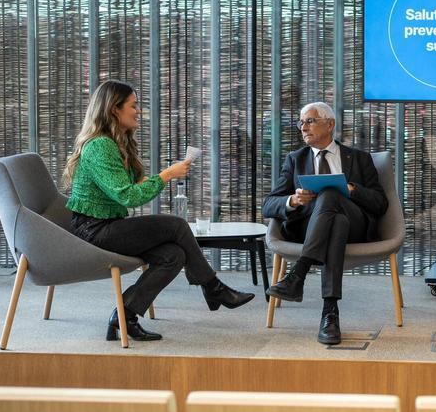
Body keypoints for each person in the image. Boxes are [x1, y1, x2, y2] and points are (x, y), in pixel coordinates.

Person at [64, 80, 255, 343]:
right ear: (113, 110)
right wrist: (166, 175)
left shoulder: (115, 143)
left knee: (173, 255)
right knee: (176, 226)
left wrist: (160, 177)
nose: (138, 110)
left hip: (107, 225)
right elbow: (127, 195)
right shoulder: (99, 146)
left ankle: (125, 315)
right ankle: (213, 287)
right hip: (95, 230)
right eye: (133, 105)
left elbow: (125, 188)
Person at [262, 102, 388, 345]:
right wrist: (293, 200)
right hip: (309, 227)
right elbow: (268, 205)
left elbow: (381, 204)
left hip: (356, 225)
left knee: (332, 195)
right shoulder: (295, 160)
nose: (303, 127)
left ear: (329, 124)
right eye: (301, 123)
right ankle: (330, 313)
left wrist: (352, 190)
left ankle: (298, 273)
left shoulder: (359, 159)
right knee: (335, 223)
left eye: (309, 121)